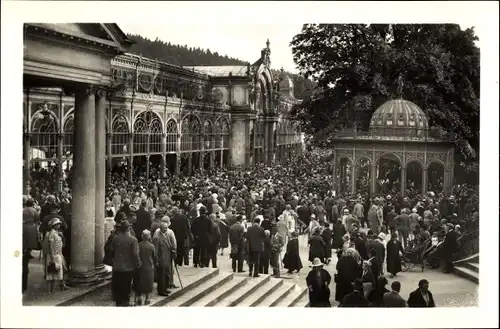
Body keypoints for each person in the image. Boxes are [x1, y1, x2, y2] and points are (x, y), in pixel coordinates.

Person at [110, 220, 141, 306]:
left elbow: (111, 251)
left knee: (118, 289)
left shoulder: (116, 238)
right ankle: (125, 304)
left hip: (117, 267)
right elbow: (135, 254)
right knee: (126, 288)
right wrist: (138, 263)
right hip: (128, 268)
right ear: (129, 228)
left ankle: (119, 304)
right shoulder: (133, 240)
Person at [42, 217, 68, 293]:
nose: (59, 225)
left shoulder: (56, 233)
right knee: (51, 274)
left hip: (57, 254)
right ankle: (50, 291)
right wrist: (53, 256)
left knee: (53, 274)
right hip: (54, 255)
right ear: (54, 225)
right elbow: (50, 245)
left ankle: (51, 291)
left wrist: (62, 237)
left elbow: (61, 245)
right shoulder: (52, 233)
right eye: (57, 224)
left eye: (59, 224)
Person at [152, 221, 177, 296]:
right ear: (160, 228)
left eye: (166, 228)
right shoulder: (157, 237)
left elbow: (169, 245)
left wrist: (172, 250)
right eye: (164, 228)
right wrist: (156, 261)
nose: (166, 229)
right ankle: (161, 290)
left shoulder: (166, 235)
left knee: (166, 274)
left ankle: (165, 288)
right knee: (161, 276)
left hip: (167, 258)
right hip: (161, 259)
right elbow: (155, 251)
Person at [135, 230, 155, 306]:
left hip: (140, 267)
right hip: (149, 266)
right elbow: (154, 257)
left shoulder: (138, 245)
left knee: (139, 282)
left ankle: (139, 298)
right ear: (149, 237)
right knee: (149, 283)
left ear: (142, 236)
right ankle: (147, 299)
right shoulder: (152, 246)